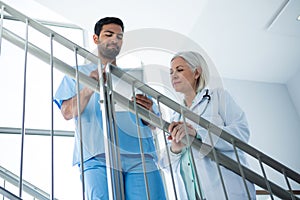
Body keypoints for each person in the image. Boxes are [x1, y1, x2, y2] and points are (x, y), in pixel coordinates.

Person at [54, 17, 166, 200]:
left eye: (119, 36)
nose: (115, 39)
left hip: (139, 156)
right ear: (96, 39)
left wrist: (148, 113)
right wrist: (89, 88)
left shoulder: (134, 78)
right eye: (109, 34)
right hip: (97, 155)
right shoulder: (76, 73)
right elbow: (67, 112)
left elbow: (154, 124)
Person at [159, 51, 256, 199]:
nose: (173, 75)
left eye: (179, 70)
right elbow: (166, 166)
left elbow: (242, 133)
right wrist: (175, 149)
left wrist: (198, 134)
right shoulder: (175, 115)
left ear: (196, 72)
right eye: (171, 72)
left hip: (227, 191)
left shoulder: (218, 97)